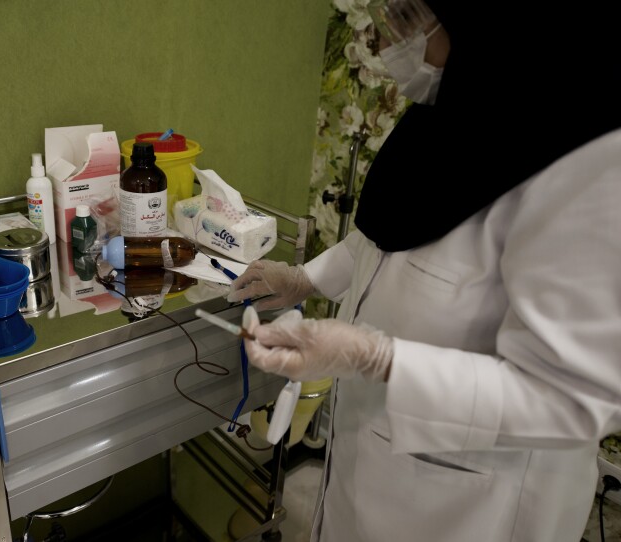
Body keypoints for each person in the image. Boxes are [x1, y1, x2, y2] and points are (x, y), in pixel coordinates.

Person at [226, 1, 621, 540]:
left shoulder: (589, 174)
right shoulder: (452, 118)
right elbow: (393, 239)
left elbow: (570, 402)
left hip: (473, 504)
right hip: (370, 464)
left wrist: (377, 357)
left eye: (411, 21)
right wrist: (305, 279)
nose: (388, 43)